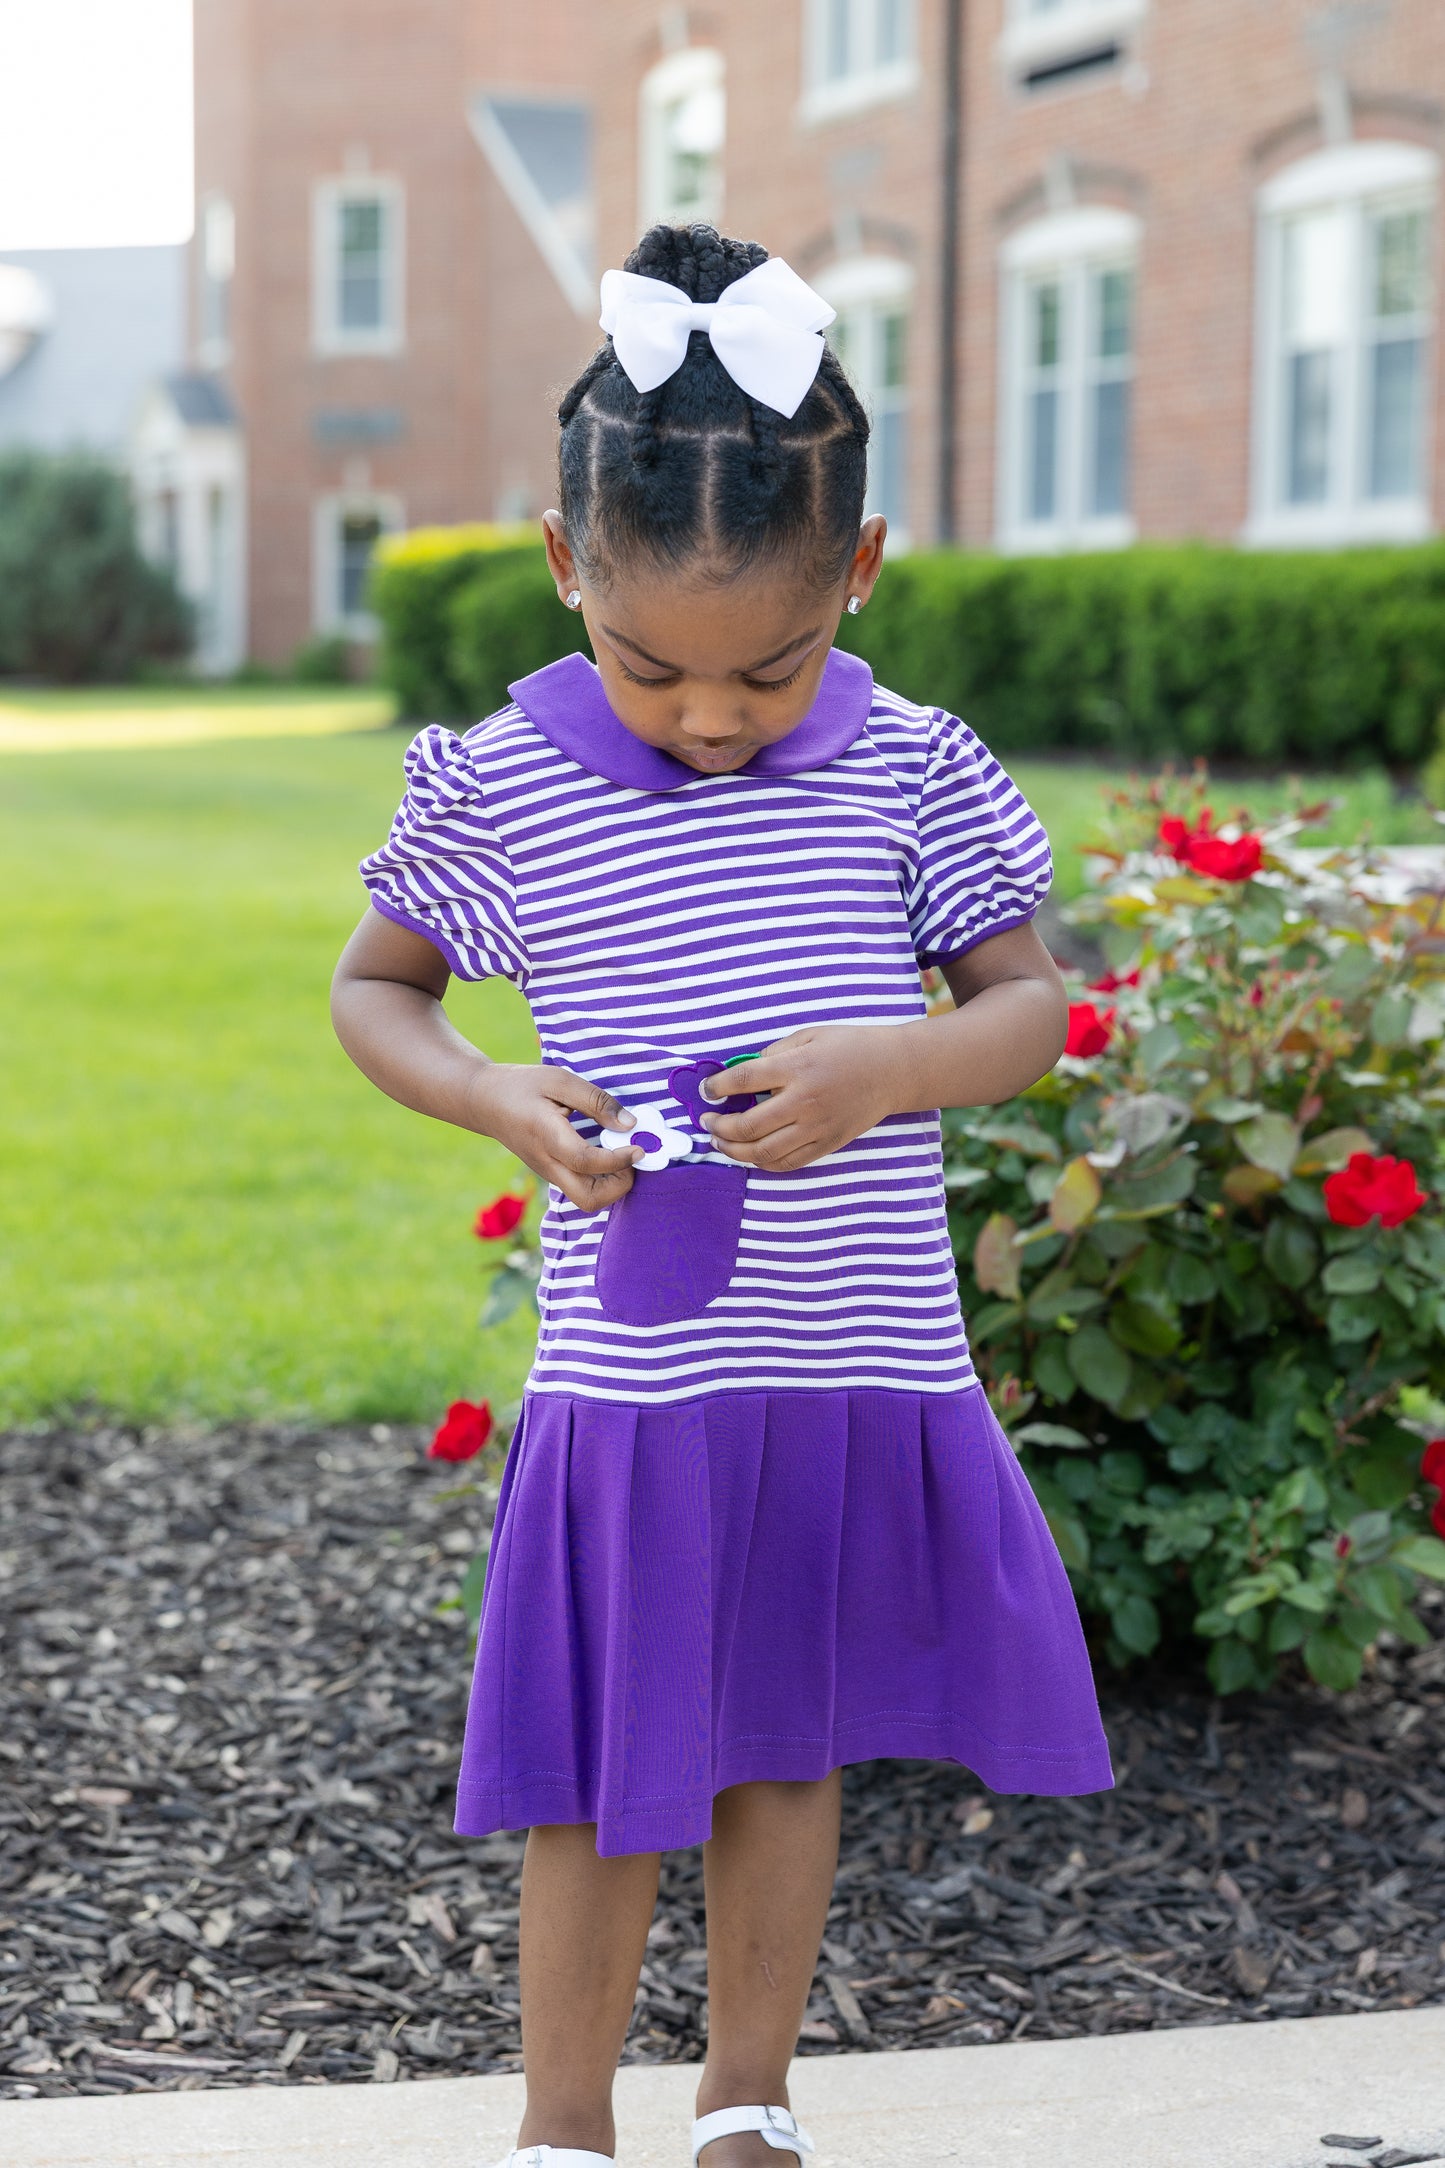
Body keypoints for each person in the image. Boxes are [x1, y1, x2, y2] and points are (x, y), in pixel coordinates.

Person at [332, 221, 1112, 2168]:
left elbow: (1032, 1005)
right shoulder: (505, 779)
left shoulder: (912, 769)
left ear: (855, 572)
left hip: (847, 1358)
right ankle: (563, 2123)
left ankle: (747, 2097)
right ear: (561, 563)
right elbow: (377, 991)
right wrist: (498, 1095)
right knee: (600, 1771)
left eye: (771, 663)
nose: (705, 715)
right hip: (637, 1387)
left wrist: (904, 1062)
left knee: (788, 1739)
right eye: (644, 661)